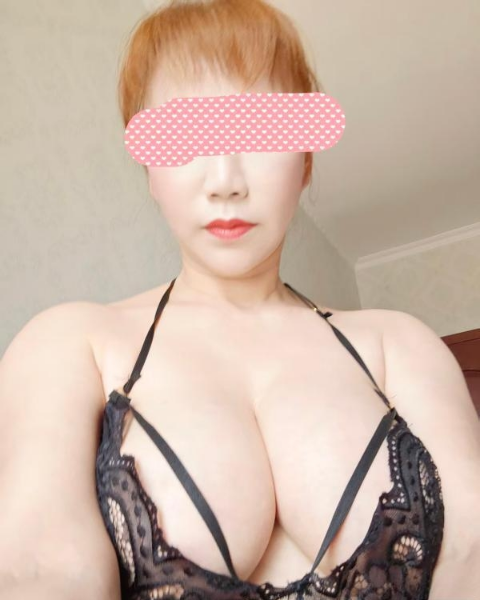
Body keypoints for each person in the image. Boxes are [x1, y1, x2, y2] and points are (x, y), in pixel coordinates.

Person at [1, 1, 479, 599]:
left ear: (305, 160)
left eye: (262, 132)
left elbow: (471, 553)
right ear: (149, 169)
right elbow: (40, 567)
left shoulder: (400, 344)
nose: (225, 180)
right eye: (184, 136)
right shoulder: (72, 344)